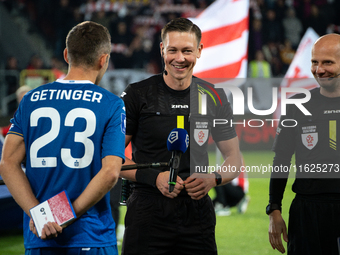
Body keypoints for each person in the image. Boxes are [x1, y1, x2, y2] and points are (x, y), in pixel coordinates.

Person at [0, 21, 126, 255]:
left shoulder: (30, 99)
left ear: (67, 55)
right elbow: (110, 172)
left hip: (40, 236)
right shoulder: (112, 104)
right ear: (103, 60)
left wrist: (40, 216)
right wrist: (62, 215)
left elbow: (7, 163)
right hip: (91, 235)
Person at [120, 17, 242, 255]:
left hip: (197, 214)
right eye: (173, 50)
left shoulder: (214, 96)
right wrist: (153, 178)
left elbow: (234, 159)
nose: (180, 58)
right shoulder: (137, 94)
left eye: (187, 51)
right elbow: (111, 159)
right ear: (162, 49)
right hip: (147, 210)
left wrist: (213, 179)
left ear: (199, 51)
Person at [267, 33, 340, 254]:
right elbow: (281, 159)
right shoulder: (298, 105)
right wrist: (274, 209)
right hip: (306, 212)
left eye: (328, 62)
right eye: (315, 62)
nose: (319, 69)